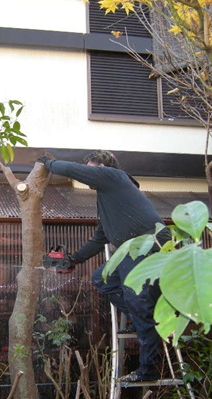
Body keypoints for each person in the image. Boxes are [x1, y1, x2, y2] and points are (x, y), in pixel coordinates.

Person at [38, 150, 171, 382]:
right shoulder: (109, 200)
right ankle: (139, 319)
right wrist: (73, 259)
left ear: (101, 166)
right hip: (131, 248)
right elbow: (99, 240)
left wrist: (48, 163)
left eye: (89, 167)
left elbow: (71, 170)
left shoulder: (114, 176)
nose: (86, 173)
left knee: (138, 302)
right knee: (102, 279)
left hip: (147, 244)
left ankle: (148, 368)